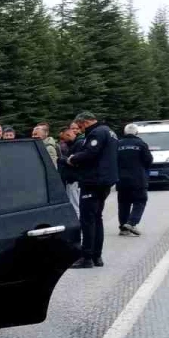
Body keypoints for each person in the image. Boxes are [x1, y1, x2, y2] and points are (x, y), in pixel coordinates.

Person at [66, 111, 118, 268]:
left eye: (80, 126)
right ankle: (97, 256)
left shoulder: (96, 133)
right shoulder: (109, 131)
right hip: (105, 181)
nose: (79, 129)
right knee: (97, 218)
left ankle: (87, 257)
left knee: (88, 220)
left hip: (93, 180)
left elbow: (90, 153)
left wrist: (72, 159)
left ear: (85, 122)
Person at [116, 123, 153, 236]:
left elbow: (113, 160)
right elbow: (148, 160)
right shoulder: (141, 144)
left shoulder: (117, 144)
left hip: (121, 179)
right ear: (137, 132)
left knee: (123, 203)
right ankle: (132, 223)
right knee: (140, 201)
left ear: (125, 132)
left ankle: (123, 227)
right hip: (138, 179)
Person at [57, 125, 81, 214]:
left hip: (74, 179)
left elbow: (75, 162)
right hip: (74, 179)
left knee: (76, 207)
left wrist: (61, 160)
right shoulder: (74, 144)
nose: (63, 141)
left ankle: (80, 226)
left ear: (68, 135)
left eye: (63, 139)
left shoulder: (78, 144)